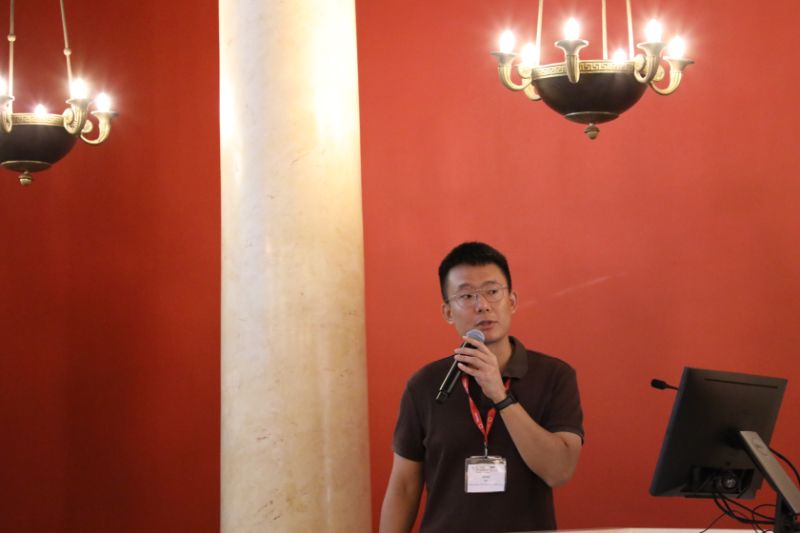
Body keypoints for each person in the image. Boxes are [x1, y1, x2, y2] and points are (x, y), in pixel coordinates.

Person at [379, 241, 584, 533]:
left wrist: (500, 395)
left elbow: (558, 471)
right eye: (466, 296)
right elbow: (403, 486)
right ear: (447, 312)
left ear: (512, 301)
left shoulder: (554, 376)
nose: (483, 305)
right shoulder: (424, 385)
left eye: (492, 291)